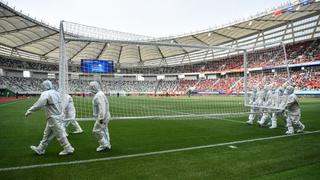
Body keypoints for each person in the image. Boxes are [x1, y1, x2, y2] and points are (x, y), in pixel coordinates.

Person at [25, 80, 74, 156]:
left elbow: (39, 104)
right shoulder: (56, 93)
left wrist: (30, 110)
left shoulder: (46, 94)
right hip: (58, 115)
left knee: (59, 133)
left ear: (45, 86)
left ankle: (68, 148)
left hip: (53, 117)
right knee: (47, 134)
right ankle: (40, 148)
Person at [89, 81, 111, 152]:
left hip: (102, 117)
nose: (90, 88)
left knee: (96, 130)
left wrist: (101, 118)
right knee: (104, 130)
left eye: (91, 87)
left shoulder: (99, 95)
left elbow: (102, 108)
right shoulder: (100, 94)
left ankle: (103, 144)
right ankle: (107, 144)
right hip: (104, 116)